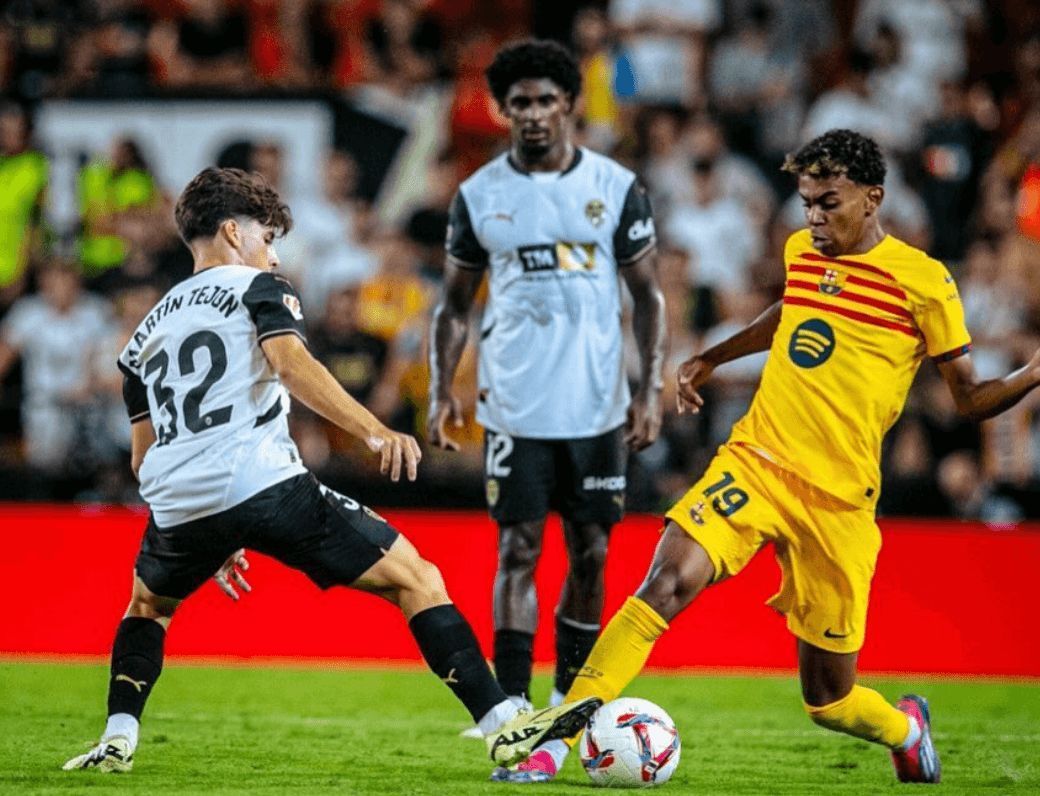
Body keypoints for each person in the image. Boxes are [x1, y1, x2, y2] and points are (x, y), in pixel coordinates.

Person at [496, 129, 1040, 784]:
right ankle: (554, 743)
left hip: (838, 501)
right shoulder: (803, 253)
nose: (813, 218)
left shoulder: (924, 282)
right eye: (807, 203)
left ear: (873, 199)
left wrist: (1033, 370)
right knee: (664, 583)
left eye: (828, 203)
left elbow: (971, 398)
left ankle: (905, 728)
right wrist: (712, 356)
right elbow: (790, 312)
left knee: (830, 701)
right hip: (756, 461)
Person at [61, 167, 599, 775]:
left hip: (178, 502)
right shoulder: (260, 288)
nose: (272, 253)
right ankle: (503, 725)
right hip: (261, 481)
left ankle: (117, 737)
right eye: (267, 237)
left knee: (147, 607)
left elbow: (141, 457)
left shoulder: (143, 334)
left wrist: (214, 522)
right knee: (417, 579)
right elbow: (291, 365)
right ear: (233, 232)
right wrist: (375, 429)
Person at [427, 40, 665, 726]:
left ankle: (567, 699)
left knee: (592, 552)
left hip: (598, 406)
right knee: (518, 549)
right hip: (515, 404)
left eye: (545, 101)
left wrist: (649, 390)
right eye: (520, 103)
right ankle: (510, 705)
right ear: (503, 110)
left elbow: (648, 296)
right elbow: (453, 305)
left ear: (570, 105)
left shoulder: (615, 188)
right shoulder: (479, 196)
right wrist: (442, 389)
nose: (532, 114)